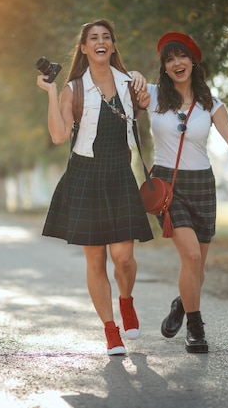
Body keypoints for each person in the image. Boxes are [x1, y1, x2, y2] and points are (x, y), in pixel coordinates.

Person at [145, 32, 228, 353]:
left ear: (193, 61)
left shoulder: (210, 104)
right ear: (163, 67)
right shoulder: (151, 96)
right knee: (189, 256)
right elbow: (123, 82)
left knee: (197, 268)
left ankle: (181, 302)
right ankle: (196, 328)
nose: (177, 63)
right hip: (169, 185)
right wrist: (133, 75)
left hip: (202, 184)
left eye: (182, 57)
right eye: (170, 59)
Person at [36, 19, 153, 356]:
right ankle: (110, 329)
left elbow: (148, 102)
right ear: (84, 48)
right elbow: (59, 136)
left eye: (106, 37)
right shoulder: (73, 89)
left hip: (119, 176)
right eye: (93, 38)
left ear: (113, 46)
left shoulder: (129, 84)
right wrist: (52, 91)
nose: (100, 42)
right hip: (85, 176)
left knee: (124, 258)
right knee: (96, 259)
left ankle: (126, 301)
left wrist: (142, 82)